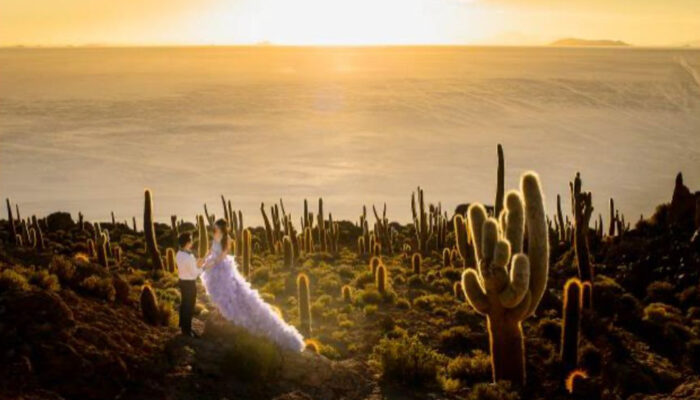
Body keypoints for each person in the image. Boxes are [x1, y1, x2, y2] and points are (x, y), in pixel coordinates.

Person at [201, 219, 304, 352]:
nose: (214, 228)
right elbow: (211, 251)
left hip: (221, 266)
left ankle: (232, 314)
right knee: (219, 291)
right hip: (213, 265)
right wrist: (204, 260)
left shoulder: (227, 239)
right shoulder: (216, 236)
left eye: (216, 226)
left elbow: (222, 255)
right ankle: (222, 312)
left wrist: (212, 263)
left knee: (229, 291)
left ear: (222, 227)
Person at [175, 232, 204, 337]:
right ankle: (187, 331)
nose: (192, 242)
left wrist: (195, 264)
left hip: (182, 282)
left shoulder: (179, 254)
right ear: (187, 243)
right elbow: (195, 273)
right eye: (191, 240)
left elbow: (187, 267)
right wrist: (200, 267)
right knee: (189, 307)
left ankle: (183, 326)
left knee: (184, 304)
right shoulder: (189, 257)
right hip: (190, 284)